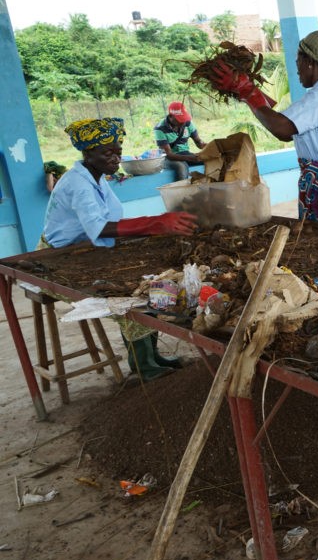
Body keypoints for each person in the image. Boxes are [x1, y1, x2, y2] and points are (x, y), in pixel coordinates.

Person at [41, 118, 200, 380]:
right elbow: (101, 227)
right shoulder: (78, 183)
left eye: (118, 151)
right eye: (108, 153)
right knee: (128, 293)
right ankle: (144, 365)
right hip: (60, 257)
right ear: (88, 153)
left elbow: (108, 222)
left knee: (152, 277)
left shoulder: (96, 176)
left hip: (89, 250)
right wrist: (156, 222)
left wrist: (155, 224)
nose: (116, 158)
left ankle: (151, 356)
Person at [210, 30, 318, 226]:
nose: (296, 66)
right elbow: (280, 119)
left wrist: (246, 89)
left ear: (309, 61)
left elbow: (282, 129)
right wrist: (248, 90)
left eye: (298, 59)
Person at [153, 101, 205, 181]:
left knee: (209, 160)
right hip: (169, 159)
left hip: (185, 154)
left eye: (184, 118)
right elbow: (169, 154)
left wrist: (213, 148)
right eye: (179, 119)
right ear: (170, 116)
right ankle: (182, 190)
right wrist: (190, 158)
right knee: (181, 167)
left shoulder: (187, 123)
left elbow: (199, 142)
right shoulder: (160, 128)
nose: (183, 122)